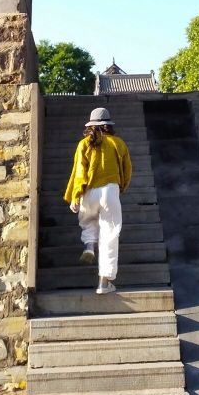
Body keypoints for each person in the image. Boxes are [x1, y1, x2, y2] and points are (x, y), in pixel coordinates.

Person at [64, 106, 132, 295]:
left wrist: (75, 196)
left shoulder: (84, 144)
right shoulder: (118, 143)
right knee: (110, 232)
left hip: (89, 192)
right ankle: (104, 281)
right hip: (110, 190)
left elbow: (79, 172)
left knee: (88, 222)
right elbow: (127, 170)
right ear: (108, 125)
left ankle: (89, 246)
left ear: (91, 126)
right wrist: (121, 187)